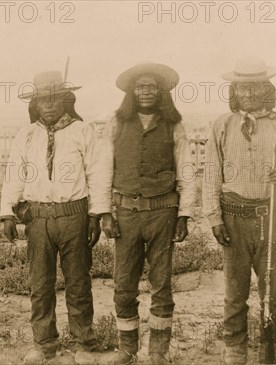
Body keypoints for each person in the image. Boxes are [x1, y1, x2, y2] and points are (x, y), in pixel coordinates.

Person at [0, 70, 110, 365]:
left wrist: (95, 216)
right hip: (38, 219)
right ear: (35, 103)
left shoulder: (82, 131)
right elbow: (15, 173)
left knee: (78, 282)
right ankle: (44, 344)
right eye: (42, 100)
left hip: (74, 215)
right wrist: (7, 212)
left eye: (54, 99)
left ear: (65, 100)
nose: (48, 105)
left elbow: (97, 175)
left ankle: (83, 343)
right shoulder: (27, 134)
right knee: (40, 284)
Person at [202, 57, 276, 365]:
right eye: (242, 88)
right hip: (233, 217)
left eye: (255, 87)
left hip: (271, 215)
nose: (248, 94)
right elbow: (211, 173)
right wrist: (214, 217)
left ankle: (269, 345)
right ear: (234, 90)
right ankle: (235, 348)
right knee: (235, 290)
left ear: (266, 88)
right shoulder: (222, 125)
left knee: (272, 287)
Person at [98, 62, 196, 365]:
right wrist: (104, 212)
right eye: (140, 86)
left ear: (161, 91)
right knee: (124, 283)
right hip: (126, 214)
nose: (145, 92)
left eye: (151, 86)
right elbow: (103, 169)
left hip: (163, 214)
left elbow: (187, 172)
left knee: (161, 282)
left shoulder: (175, 125)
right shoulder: (115, 123)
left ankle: (158, 351)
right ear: (132, 91)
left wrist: (184, 215)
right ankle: (127, 348)